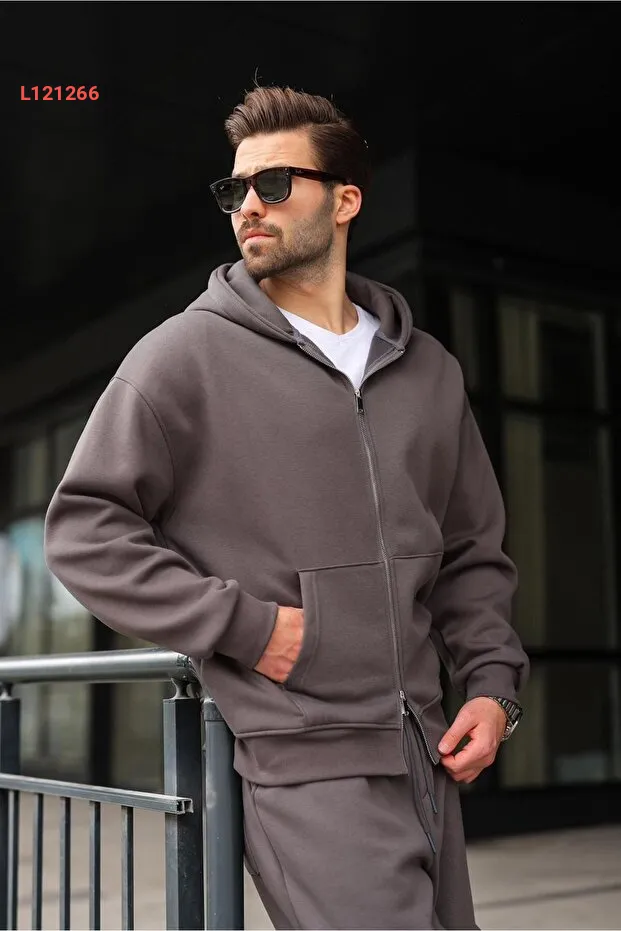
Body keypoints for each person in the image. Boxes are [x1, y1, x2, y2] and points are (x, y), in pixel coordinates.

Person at [44, 85, 529, 930]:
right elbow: (85, 529)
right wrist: (248, 627)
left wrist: (492, 688)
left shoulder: (428, 371)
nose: (248, 207)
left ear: (345, 201)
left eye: (274, 184)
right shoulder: (183, 356)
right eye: (234, 189)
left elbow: (469, 550)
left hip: (426, 750)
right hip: (301, 759)